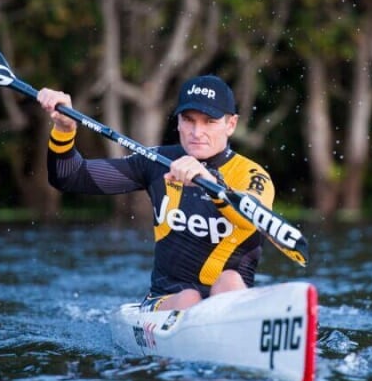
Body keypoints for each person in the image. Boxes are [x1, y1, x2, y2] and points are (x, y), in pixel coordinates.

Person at [37, 75, 275, 311]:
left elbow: (253, 216)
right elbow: (70, 176)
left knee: (230, 280)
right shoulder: (156, 161)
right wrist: (64, 129)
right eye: (188, 120)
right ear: (178, 122)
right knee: (189, 298)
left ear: (231, 125)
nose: (196, 131)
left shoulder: (253, 175)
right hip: (166, 301)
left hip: (232, 306)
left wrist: (211, 184)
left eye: (209, 122)